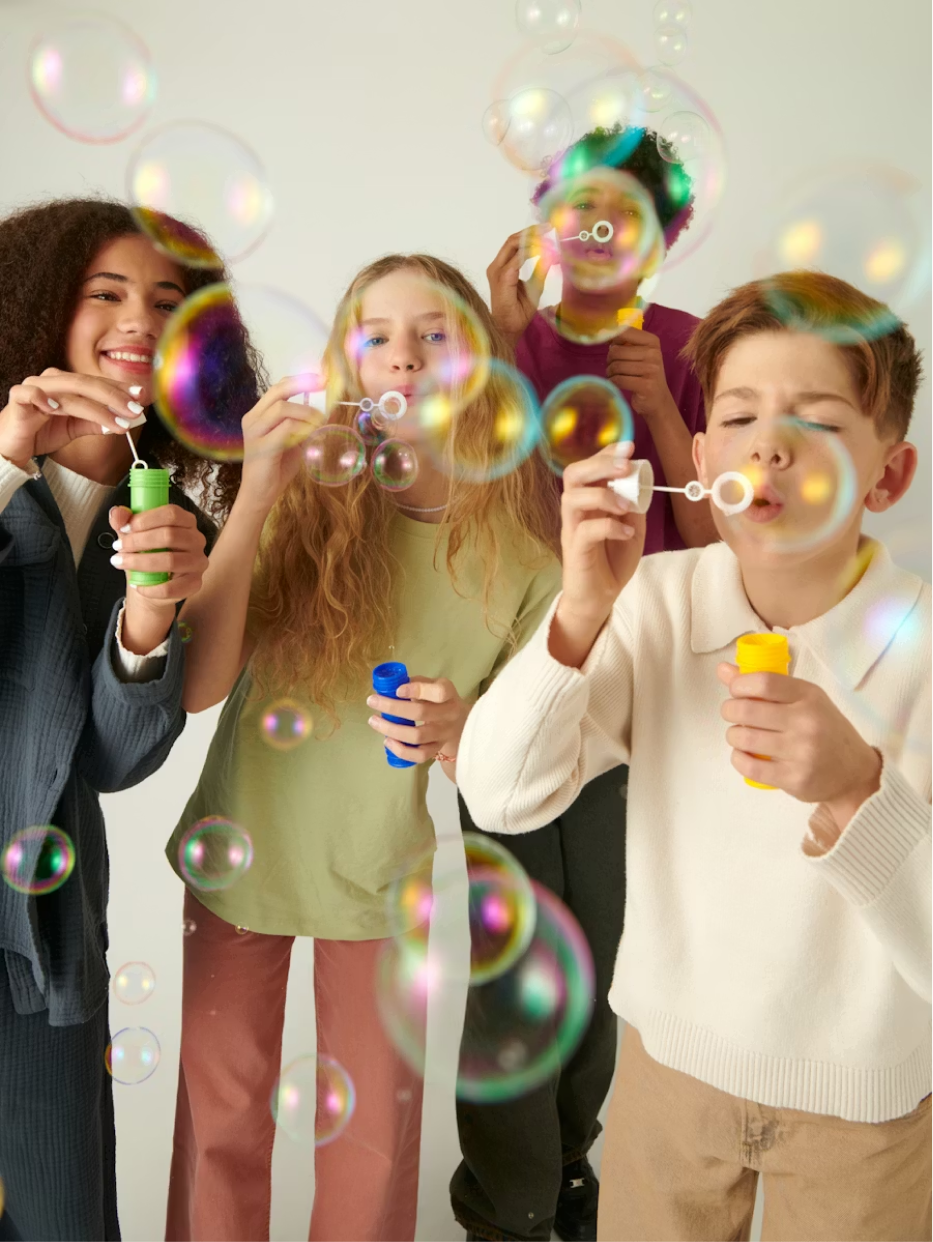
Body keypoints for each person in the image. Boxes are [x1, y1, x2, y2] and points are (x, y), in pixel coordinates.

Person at [455, 270, 932, 1242]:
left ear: (889, 474)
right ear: (702, 453)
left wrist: (856, 787)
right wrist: (581, 609)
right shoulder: (654, 604)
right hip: (668, 1083)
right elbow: (499, 794)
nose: (771, 444)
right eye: (743, 413)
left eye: (820, 420)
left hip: (870, 1117)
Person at [162, 253, 563, 1242]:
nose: (404, 357)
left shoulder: (526, 555)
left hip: (383, 877)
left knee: (374, 1151)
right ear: (347, 364)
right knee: (219, 1122)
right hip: (242, 848)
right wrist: (255, 491)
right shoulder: (302, 495)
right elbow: (199, 687)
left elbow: (523, 762)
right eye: (374, 336)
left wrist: (462, 731)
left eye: (435, 333)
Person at [452, 125, 717, 1242]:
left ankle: (570, 1180)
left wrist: (664, 412)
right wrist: (506, 351)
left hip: (649, 705)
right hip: (514, 687)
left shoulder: (694, 347)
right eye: (581, 208)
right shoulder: (499, 343)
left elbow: (722, 548)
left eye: (627, 215)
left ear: (668, 234)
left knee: (606, 959)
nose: (599, 232)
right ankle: (503, 1209)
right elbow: (465, 512)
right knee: (516, 968)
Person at [0, 198, 260, 1242]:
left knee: (63, 1216)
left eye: (168, 303)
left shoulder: (172, 525)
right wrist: (11, 462)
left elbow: (107, 758)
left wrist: (147, 621)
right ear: (39, 310)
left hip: (41, 929)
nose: (140, 320)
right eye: (105, 294)